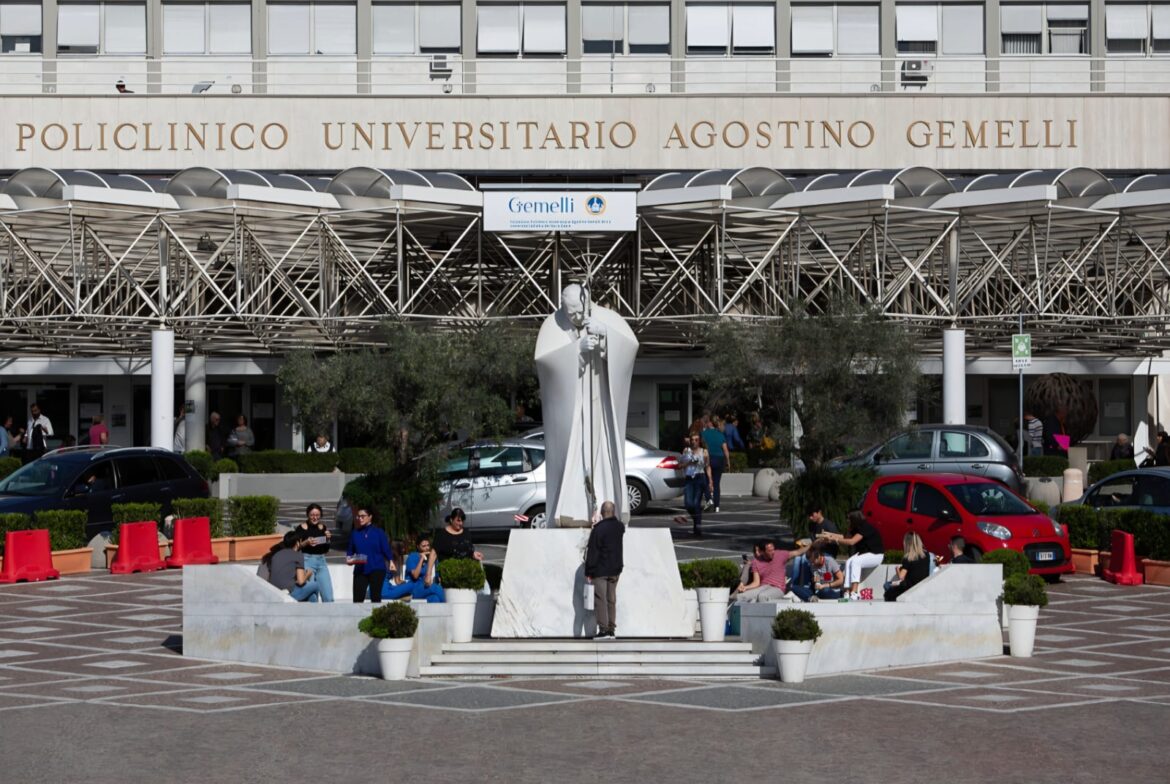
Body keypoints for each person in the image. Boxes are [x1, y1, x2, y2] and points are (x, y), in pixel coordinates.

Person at [535, 283, 639, 527]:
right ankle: (572, 511)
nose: (576, 318)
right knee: (574, 455)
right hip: (573, 408)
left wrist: (606, 338)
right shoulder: (552, 324)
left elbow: (630, 348)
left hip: (601, 404)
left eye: (579, 313)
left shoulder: (609, 318)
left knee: (602, 454)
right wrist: (576, 352)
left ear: (589, 304)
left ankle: (605, 507)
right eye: (570, 313)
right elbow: (544, 361)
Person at [822, 510, 886, 601]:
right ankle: (847, 591)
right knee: (849, 562)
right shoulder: (857, 528)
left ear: (854, 518)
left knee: (856, 562)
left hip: (876, 555)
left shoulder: (865, 527)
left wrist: (834, 539)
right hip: (865, 554)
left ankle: (854, 592)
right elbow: (844, 537)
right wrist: (829, 535)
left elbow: (852, 542)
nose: (847, 520)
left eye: (848, 518)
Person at [585, 499, 624, 640]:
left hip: (600, 570)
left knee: (600, 599)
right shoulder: (619, 527)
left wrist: (588, 571)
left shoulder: (598, 530)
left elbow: (593, 552)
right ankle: (612, 629)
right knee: (611, 599)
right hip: (615, 569)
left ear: (602, 513)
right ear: (613, 512)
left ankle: (603, 630)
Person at [733, 539, 810, 602]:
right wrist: (745, 587)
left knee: (762, 596)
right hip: (763, 587)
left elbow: (797, 552)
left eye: (773, 549)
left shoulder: (780, 554)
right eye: (769, 551)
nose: (773, 552)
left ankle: (765, 620)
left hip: (778, 588)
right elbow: (756, 583)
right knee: (741, 597)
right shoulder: (756, 562)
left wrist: (811, 544)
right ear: (762, 552)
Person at [346, 506, 395, 603]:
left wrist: (391, 561)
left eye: (363, 516)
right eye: (358, 516)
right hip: (360, 569)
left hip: (377, 568)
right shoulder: (355, 533)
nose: (360, 518)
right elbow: (349, 554)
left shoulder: (379, 532)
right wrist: (351, 560)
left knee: (375, 598)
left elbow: (386, 549)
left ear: (370, 517)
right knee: (357, 599)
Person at [263, 531, 321, 602]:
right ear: (297, 543)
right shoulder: (297, 555)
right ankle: (316, 610)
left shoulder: (276, 555)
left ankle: (312, 610)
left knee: (311, 595)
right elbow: (301, 581)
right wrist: (308, 574)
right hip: (289, 593)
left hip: (275, 592)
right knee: (316, 585)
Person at [383, 536, 445, 603]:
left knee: (434, 598)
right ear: (418, 547)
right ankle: (446, 609)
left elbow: (398, 580)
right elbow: (415, 575)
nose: (427, 548)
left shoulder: (433, 558)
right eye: (423, 546)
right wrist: (421, 559)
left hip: (425, 587)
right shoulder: (413, 556)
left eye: (428, 545)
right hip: (416, 587)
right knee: (437, 589)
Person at [673, 434, 712, 537]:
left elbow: (707, 466)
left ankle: (697, 527)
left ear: (699, 441)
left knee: (696, 504)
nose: (694, 442)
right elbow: (680, 465)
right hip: (689, 479)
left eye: (696, 440)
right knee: (688, 504)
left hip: (700, 478)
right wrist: (689, 462)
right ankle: (696, 518)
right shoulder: (686, 451)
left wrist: (710, 481)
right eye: (692, 440)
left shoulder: (704, 451)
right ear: (689, 441)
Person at [296, 503, 334, 603]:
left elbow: (326, 549)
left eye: (317, 515)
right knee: (312, 596)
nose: (315, 517)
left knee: (328, 596)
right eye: (312, 515)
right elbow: (296, 547)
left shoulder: (323, 528)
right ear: (308, 515)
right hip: (307, 561)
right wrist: (306, 542)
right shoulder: (301, 528)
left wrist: (328, 539)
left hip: (321, 561)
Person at [884, 532, 931, 602]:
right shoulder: (926, 555)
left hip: (909, 588)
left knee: (887, 584)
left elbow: (901, 577)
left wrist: (897, 570)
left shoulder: (908, 557)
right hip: (922, 587)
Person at [701, 415, 730, 512]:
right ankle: (717, 506)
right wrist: (728, 462)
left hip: (708, 459)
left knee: (705, 481)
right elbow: (725, 450)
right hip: (719, 459)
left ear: (709, 423)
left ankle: (709, 499)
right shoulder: (720, 435)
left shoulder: (704, 434)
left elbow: (700, 447)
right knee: (716, 483)